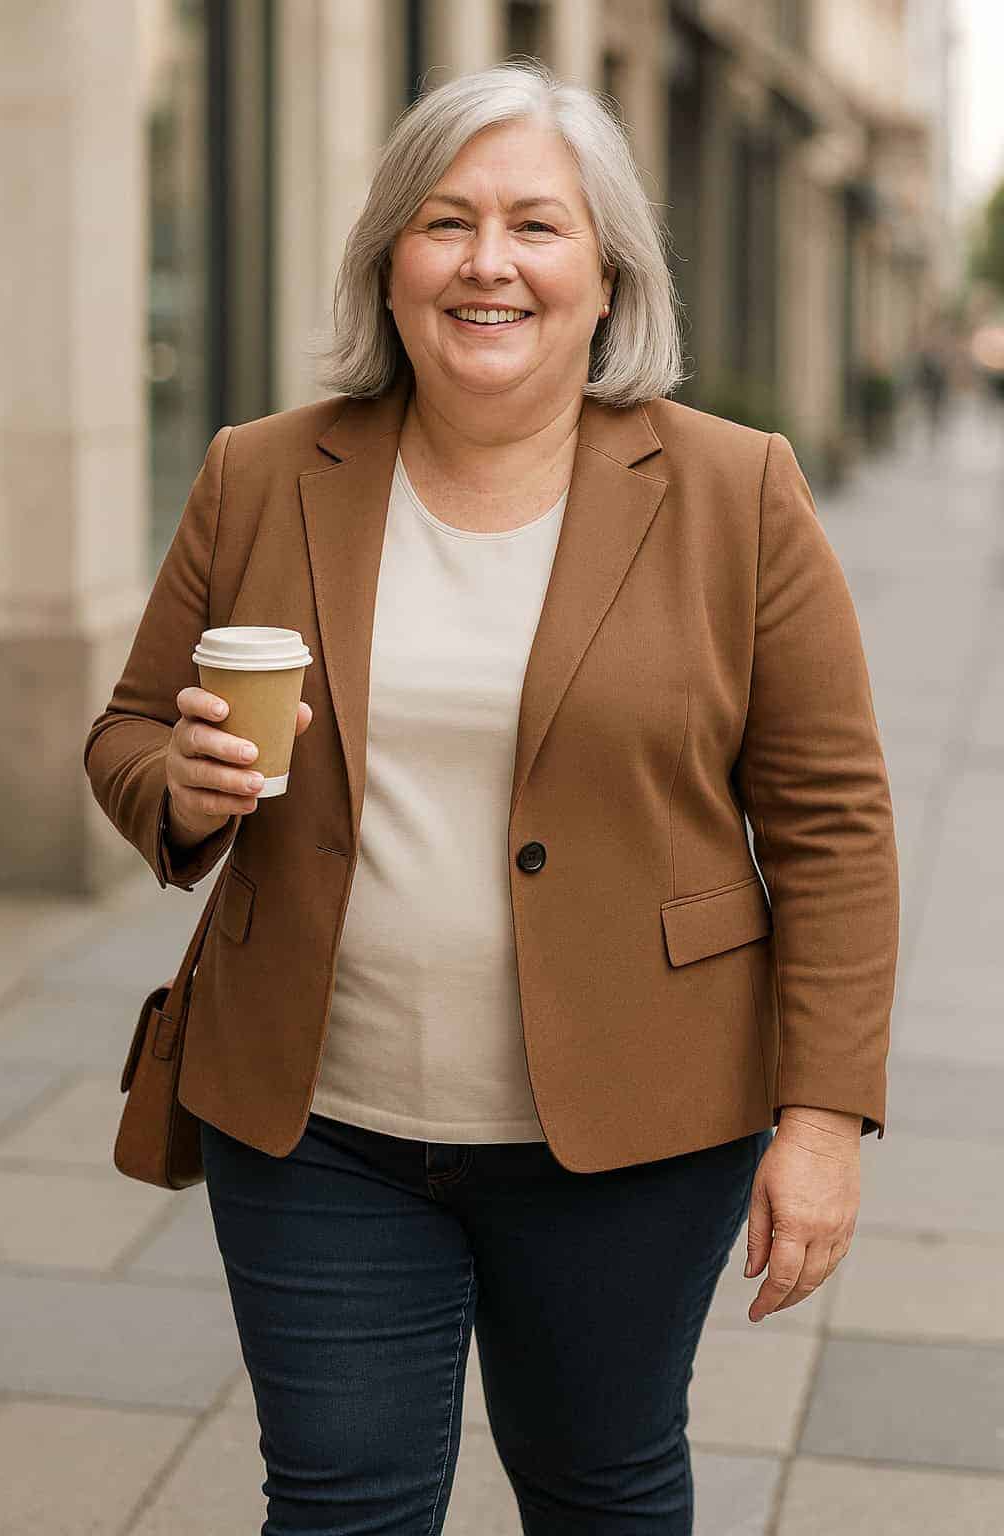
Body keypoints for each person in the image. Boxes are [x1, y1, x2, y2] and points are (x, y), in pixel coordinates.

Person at [84, 60, 899, 1536]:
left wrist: (824, 1120)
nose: (487, 262)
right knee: (338, 1503)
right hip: (316, 1117)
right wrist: (183, 789)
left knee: (602, 1485)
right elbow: (132, 729)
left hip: (639, 1128)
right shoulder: (259, 474)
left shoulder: (736, 491)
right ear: (391, 264)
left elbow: (834, 821)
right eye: (447, 222)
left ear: (605, 277)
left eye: (537, 225)